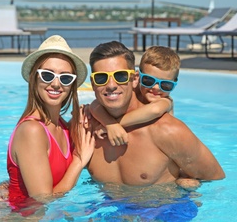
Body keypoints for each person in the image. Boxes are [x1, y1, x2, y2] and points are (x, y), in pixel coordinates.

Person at [86, 41, 225, 186]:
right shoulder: (88, 123)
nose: (155, 88)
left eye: (165, 85)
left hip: (163, 205)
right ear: (139, 78)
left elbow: (215, 175)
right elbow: (95, 104)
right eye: (148, 80)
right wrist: (109, 123)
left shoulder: (166, 120)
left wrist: (112, 125)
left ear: (134, 79)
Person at [6, 35, 95, 211]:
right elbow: (44, 199)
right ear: (34, 78)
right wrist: (79, 160)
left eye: (65, 78)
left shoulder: (63, 126)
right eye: (47, 75)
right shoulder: (32, 130)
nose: (56, 84)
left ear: (72, 85)